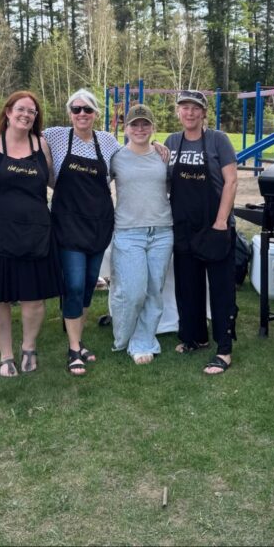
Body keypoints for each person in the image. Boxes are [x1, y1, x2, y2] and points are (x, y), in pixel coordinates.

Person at [0, 91, 63, 377]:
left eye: (32, 112)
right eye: (21, 109)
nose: (26, 115)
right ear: (8, 112)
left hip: (34, 233)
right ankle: (5, 355)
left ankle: (29, 347)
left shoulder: (41, 144)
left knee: (33, 296)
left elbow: (54, 182)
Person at [43, 88, 120, 376]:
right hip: (68, 223)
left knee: (89, 283)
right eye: (76, 109)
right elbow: (22, 133)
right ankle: (74, 347)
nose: (82, 114)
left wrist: (159, 148)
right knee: (74, 284)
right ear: (69, 113)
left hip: (99, 222)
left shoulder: (108, 141)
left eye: (87, 109)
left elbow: (125, 166)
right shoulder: (55, 135)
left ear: (96, 114)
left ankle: (78, 338)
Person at [165, 89, 239, 376]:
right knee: (188, 287)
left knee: (221, 290)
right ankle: (194, 337)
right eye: (184, 107)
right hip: (183, 226)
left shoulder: (218, 140)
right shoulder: (172, 142)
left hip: (215, 225)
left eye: (195, 108)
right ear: (178, 111)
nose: (190, 113)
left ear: (204, 112)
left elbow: (231, 181)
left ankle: (223, 349)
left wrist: (221, 221)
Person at [108, 104, 174, 365]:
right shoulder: (116, 157)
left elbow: (169, 186)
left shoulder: (163, 155)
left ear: (152, 128)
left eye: (145, 124)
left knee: (154, 290)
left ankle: (144, 340)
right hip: (128, 232)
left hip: (161, 231)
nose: (140, 129)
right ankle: (123, 337)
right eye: (134, 124)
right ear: (126, 129)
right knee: (133, 291)